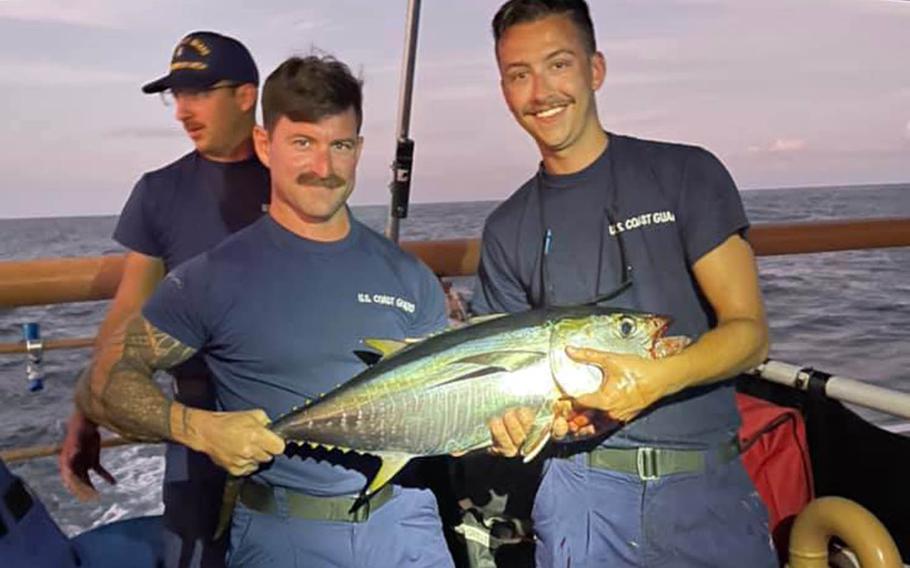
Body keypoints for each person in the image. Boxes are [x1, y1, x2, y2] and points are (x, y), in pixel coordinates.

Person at [75, 53, 455, 568]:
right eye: (302, 143)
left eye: (339, 145)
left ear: (359, 150)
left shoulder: (410, 277)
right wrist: (199, 429)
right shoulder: (211, 277)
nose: (323, 168)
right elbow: (102, 384)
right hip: (285, 534)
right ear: (263, 144)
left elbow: (449, 405)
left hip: (409, 526)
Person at [474, 1, 779, 566]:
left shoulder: (686, 173)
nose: (541, 92)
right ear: (505, 90)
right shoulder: (505, 229)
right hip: (579, 498)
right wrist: (510, 426)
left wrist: (654, 380)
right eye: (520, 74)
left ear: (596, 70)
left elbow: (751, 333)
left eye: (558, 64)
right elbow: (503, 387)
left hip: (705, 485)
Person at [58, 31, 269, 568]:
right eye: (174, 95)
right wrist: (87, 413)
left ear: (246, 96)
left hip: (286, 422)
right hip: (194, 427)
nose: (181, 111)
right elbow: (129, 312)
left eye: (196, 92)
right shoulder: (159, 191)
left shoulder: (298, 180)